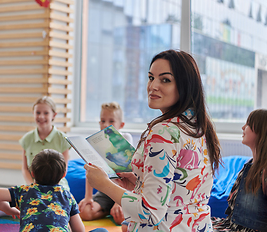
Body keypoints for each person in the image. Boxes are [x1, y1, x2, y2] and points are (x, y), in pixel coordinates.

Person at [84, 49, 222, 231]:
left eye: (165, 80)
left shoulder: (164, 132)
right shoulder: (199, 127)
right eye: (151, 78)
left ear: (184, 86)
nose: (153, 86)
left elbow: (149, 213)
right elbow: (179, 188)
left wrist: (104, 184)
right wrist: (137, 181)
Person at [0, 149, 85, 232]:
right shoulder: (66, 195)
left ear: (32, 173)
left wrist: (8, 210)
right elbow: (80, 230)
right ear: (63, 175)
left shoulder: (24, 191)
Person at [78, 102, 133, 227]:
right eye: (102, 121)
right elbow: (90, 172)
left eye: (111, 121)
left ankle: (114, 211)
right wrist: (88, 198)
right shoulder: (93, 143)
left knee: (121, 219)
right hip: (105, 191)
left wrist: (119, 202)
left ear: (121, 125)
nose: (105, 125)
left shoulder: (125, 138)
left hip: (122, 189)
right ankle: (107, 211)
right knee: (84, 213)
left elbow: (128, 172)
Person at [212, 109, 267, 232]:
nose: (243, 127)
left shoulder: (265, 172)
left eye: (247, 124)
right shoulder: (249, 165)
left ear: (261, 131)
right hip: (231, 225)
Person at [19, 96, 71, 189]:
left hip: (57, 186)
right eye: (38, 112)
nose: (41, 116)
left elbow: (64, 169)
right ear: (33, 114)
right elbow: (25, 169)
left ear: (54, 115)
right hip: (33, 186)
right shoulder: (26, 139)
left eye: (46, 113)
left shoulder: (63, 139)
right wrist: (33, 186)